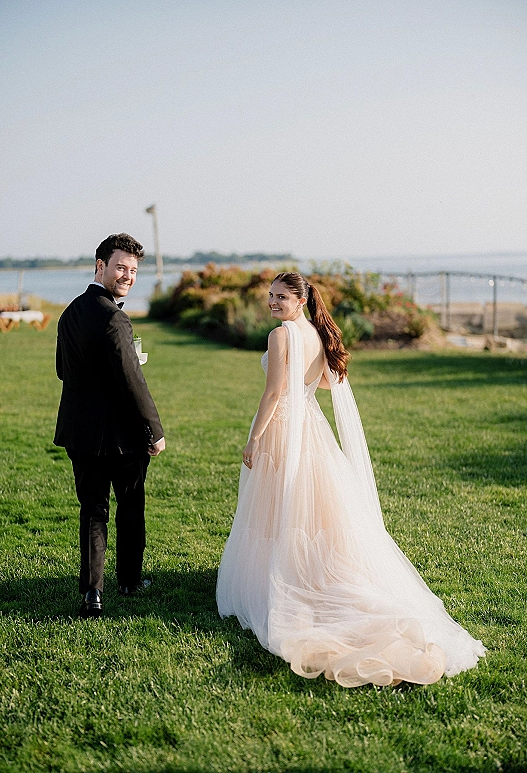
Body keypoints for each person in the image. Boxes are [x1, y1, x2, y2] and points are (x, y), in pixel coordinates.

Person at [216, 272, 485, 687]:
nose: (272, 302)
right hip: (311, 426)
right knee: (305, 504)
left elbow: (272, 394)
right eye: (270, 296)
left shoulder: (282, 335)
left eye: (281, 296)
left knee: (277, 503)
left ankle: (284, 574)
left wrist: (254, 438)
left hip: (284, 427)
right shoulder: (316, 334)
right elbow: (324, 381)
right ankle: (304, 567)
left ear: (300, 300)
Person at [54, 233, 165, 619]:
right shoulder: (115, 317)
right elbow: (132, 382)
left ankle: (92, 594)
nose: (128, 276)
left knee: (92, 510)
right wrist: (155, 430)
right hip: (121, 437)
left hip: (80, 431)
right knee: (130, 505)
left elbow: (61, 370)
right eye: (121, 267)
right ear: (100, 265)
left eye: (134, 270)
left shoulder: (70, 312)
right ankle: (130, 581)